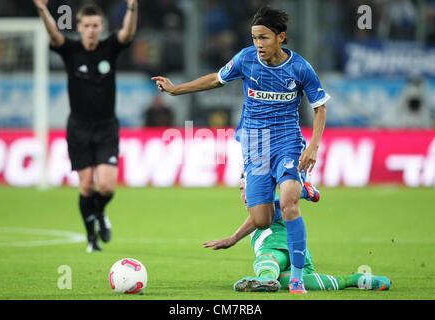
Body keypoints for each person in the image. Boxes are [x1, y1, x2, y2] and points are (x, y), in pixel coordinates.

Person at [152, 6, 328, 293]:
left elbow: (319, 107)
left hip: (287, 141)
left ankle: (296, 277)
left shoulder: (300, 68)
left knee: (288, 204)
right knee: (262, 219)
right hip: (255, 144)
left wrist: (313, 146)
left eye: (264, 37)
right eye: (254, 37)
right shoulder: (246, 59)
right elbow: (215, 79)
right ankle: (301, 187)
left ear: (280, 37)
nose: (258, 44)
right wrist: (175, 89)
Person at [32, 0, 138, 252]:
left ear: (102, 27)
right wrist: (42, 9)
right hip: (78, 128)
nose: (91, 29)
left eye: (96, 25)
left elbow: (127, 33)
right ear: (79, 27)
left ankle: (99, 213)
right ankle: (91, 237)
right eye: (87, 25)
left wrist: (132, 7)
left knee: (107, 186)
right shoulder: (70, 50)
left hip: (106, 127)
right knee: (87, 185)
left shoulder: (109, 48)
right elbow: (54, 35)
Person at [203, 176, 391, 292]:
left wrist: (232, 239)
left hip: (283, 251)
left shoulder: (270, 208)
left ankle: (265, 277)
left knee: (267, 258)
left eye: (248, 189)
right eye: (241, 189)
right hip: (300, 261)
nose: (244, 195)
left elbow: (273, 208)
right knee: (288, 283)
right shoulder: (265, 209)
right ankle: (356, 280)